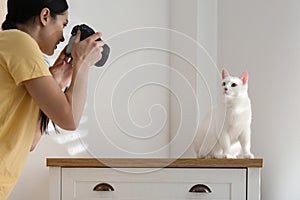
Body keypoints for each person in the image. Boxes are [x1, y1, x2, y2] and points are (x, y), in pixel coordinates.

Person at [0, 0, 104, 198]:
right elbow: (70, 120)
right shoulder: (20, 43)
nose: (63, 36)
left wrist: (56, 83)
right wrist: (82, 65)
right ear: (45, 16)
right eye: (63, 25)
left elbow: (29, 141)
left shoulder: (11, 44)